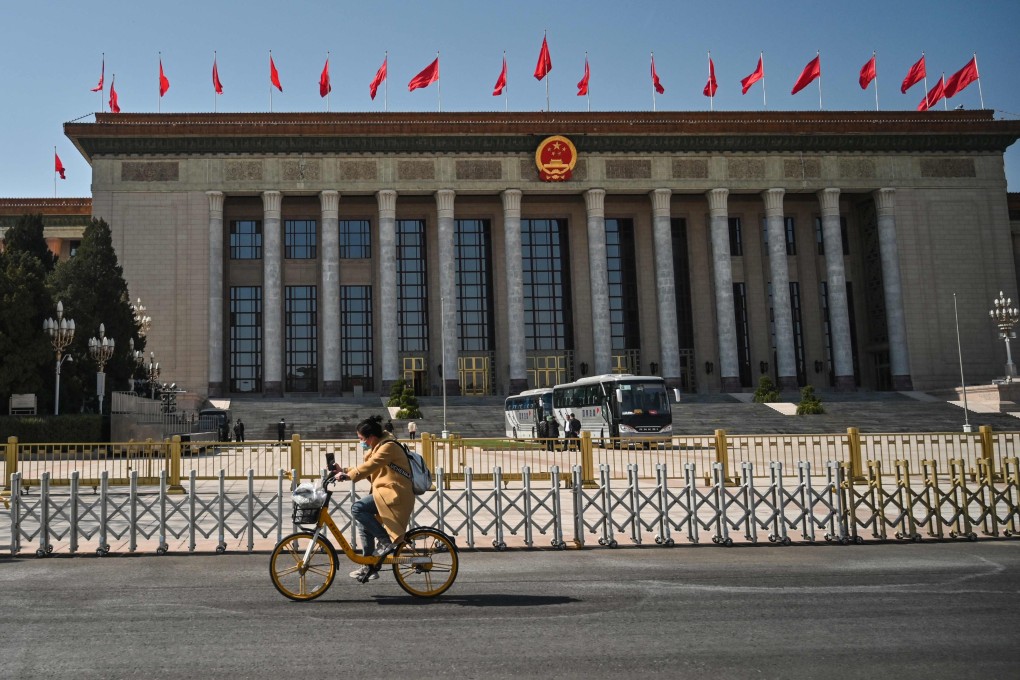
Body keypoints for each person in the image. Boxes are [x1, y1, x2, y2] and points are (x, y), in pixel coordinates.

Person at [332, 415, 414, 582]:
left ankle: (385, 542)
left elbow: (370, 466)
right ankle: (369, 566)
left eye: (362, 439)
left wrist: (348, 476)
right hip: (386, 491)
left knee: (358, 508)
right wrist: (344, 470)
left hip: (395, 494)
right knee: (364, 524)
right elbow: (366, 467)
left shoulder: (388, 447)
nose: (361, 442)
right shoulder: (379, 446)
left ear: (371, 437)